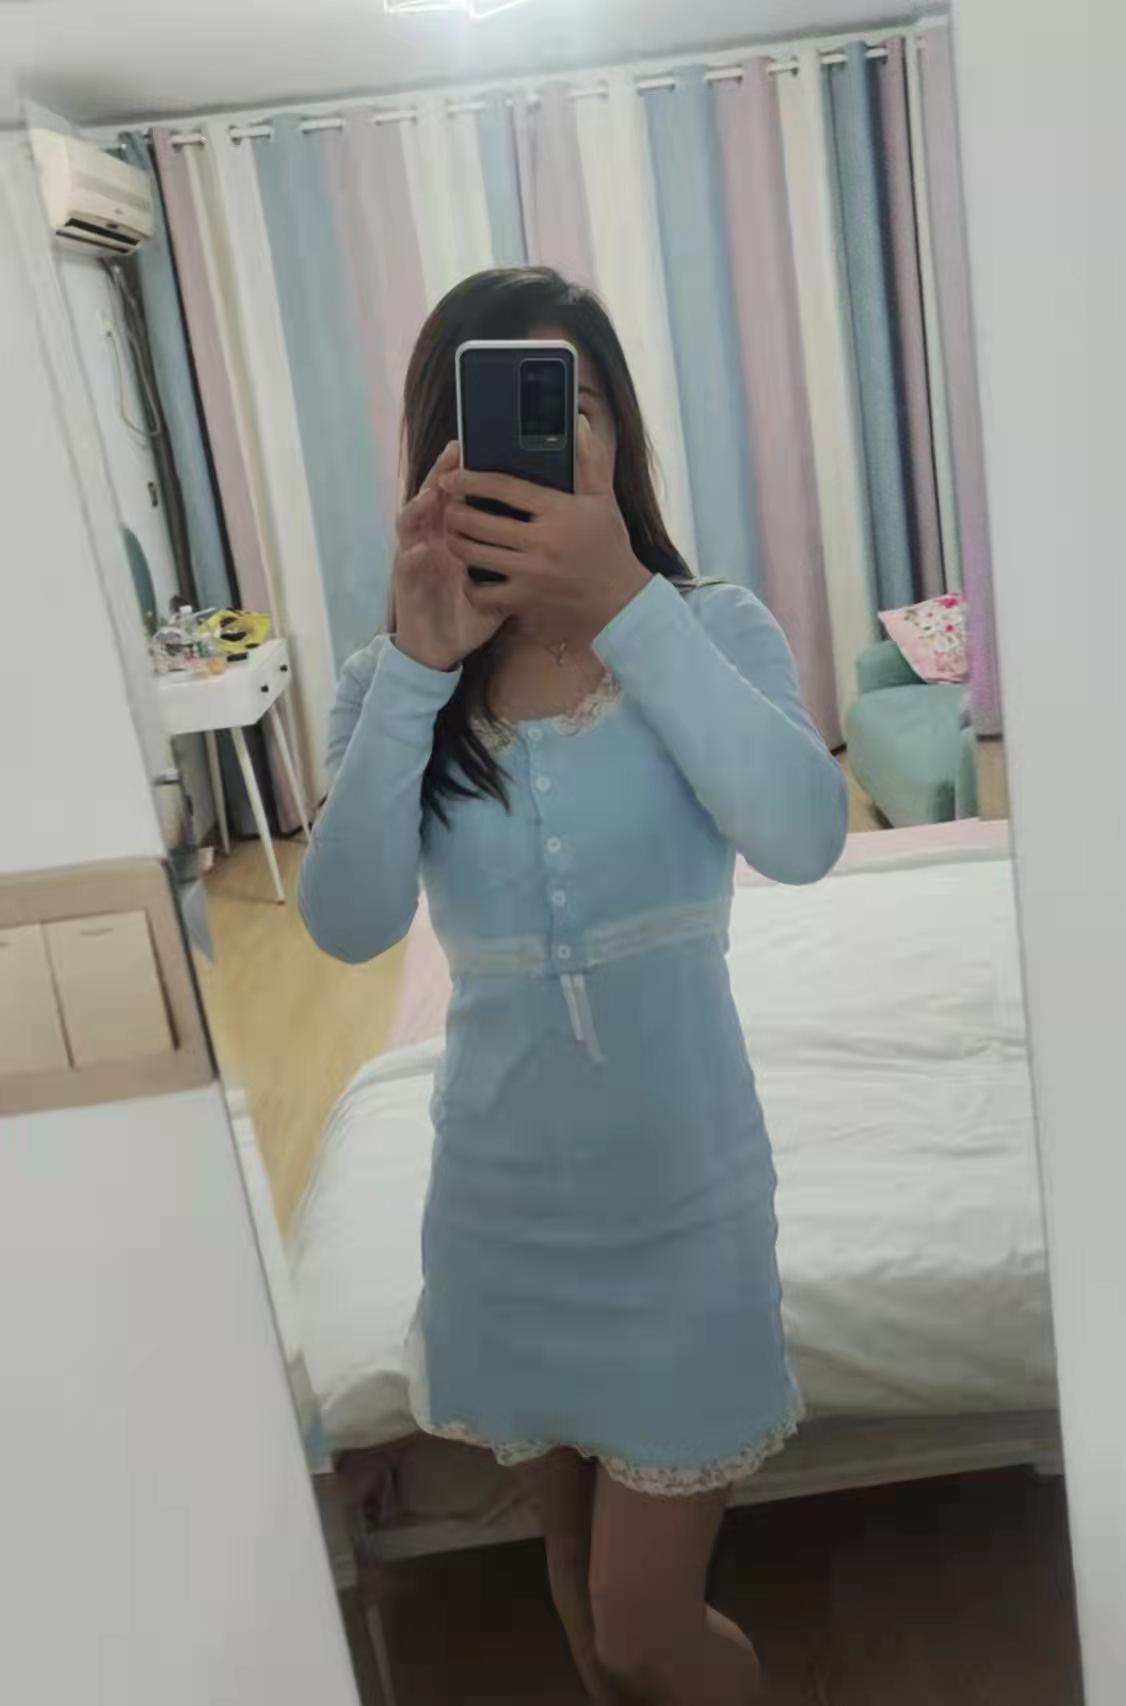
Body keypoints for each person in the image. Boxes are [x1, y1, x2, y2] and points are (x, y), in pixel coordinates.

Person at [300, 267, 848, 1706]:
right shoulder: (393, 678)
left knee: (641, 1623)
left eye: (577, 403)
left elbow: (804, 837)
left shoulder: (708, 627)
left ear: (619, 435)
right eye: (506, 413)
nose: (555, 438)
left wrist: (625, 608)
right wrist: (417, 665)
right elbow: (349, 924)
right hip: (498, 1215)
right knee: (571, 1576)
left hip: (683, 1215)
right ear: (439, 452)